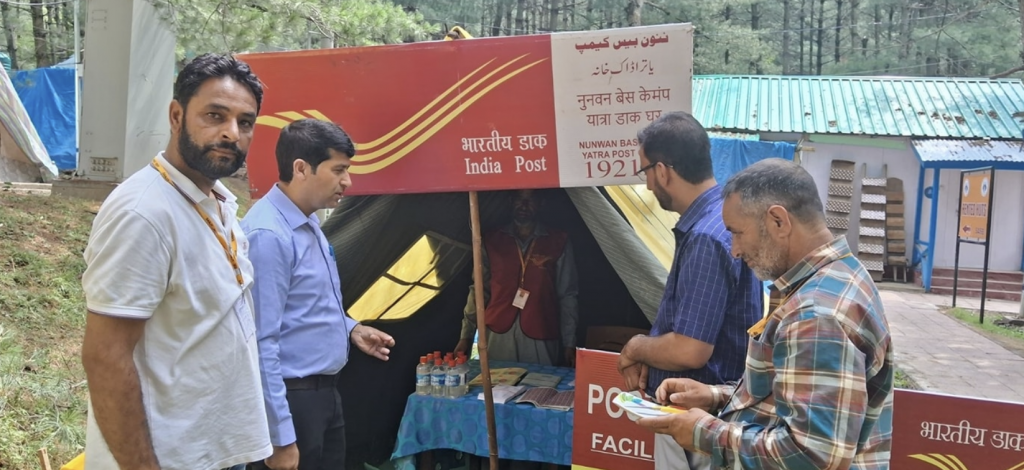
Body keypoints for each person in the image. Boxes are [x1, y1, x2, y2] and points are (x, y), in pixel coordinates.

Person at [637, 158, 894, 469]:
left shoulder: (815, 315)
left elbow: (812, 456)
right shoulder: (839, 277)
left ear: (778, 222)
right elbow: (792, 392)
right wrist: (715, 395)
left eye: (738, 233)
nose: (734, 249)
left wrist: (703, 432)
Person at [80, 53, 271, 470]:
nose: (231, 133)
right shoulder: (144, 213)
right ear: (176, 115)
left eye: (245, 122)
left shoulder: (217, 201)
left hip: (216, 449)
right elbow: (106, 358)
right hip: (168, 458)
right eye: (215, 116)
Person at [242, 119, 396, 470]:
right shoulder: (269, 235)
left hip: (324, 396)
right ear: (301, 168)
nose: (347, 181)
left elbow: (306, 306)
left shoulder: (308, 222)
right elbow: (260, 340)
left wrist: (351, 329)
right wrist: (280, 436)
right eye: (339, 169)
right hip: (292, 401)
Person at [617, 111, 764, 470]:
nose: (648, 185)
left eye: (645, 172)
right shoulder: (720, 220)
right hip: (715, 414)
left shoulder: (704, 237)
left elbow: (690, 349)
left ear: (663, 171)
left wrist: (636, 346)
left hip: (699, 425)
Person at [455, 189, 579, 367]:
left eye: (531, 200)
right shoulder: (491, 240)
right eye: (519, 199)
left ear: (541, 204)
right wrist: (466, 334)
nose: (524, 205)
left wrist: (569, 342)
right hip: (498, 331)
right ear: (510, 202)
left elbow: (567, 294)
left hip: (541, 330)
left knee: (539, 389)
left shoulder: (558, 241)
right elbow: (479, 290)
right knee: (498, 387)